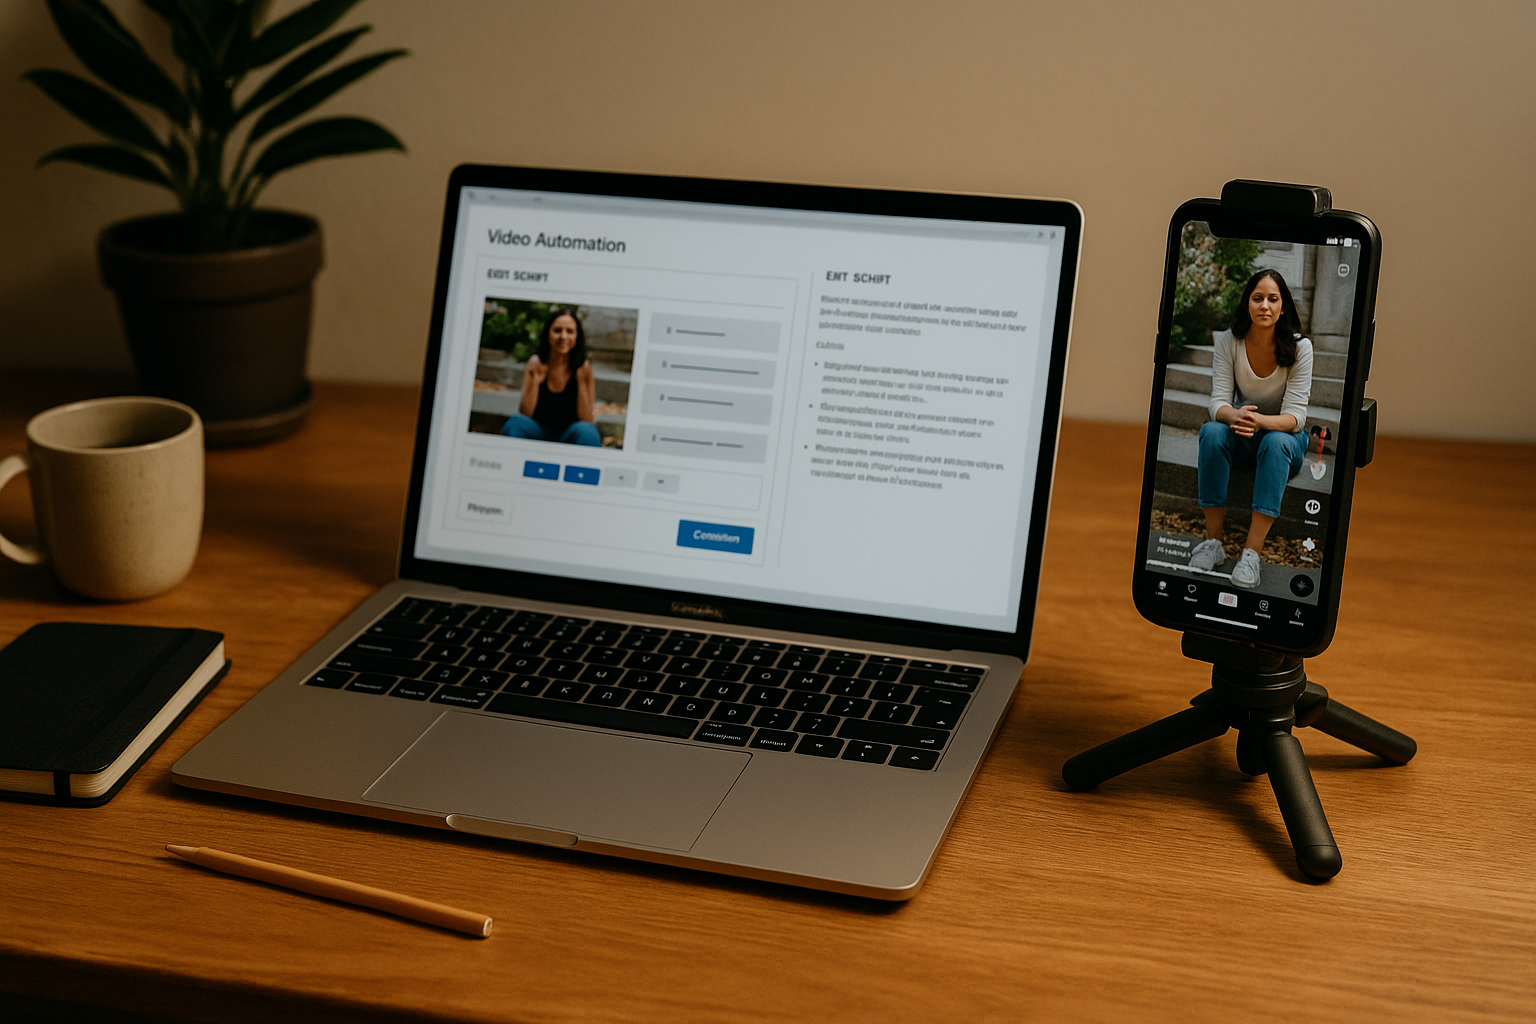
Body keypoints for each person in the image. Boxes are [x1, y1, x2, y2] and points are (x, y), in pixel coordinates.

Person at [1188, 269, 1313, 588]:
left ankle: (1251, 555)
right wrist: (1236, 418)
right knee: (1212, 432)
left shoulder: (1300, 349)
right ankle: (1214, 544)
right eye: (1258, 298)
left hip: (1285, 443)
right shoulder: (1229, 342)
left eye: (1273, 299)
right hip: (1243, 434)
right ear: (1247, 304)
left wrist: (1258, 421)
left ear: (1283, 307)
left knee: (1275, 442)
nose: (1265, 306)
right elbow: (1217, 403)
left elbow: (1296, 418)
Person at [500, 308, 601, 446]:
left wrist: (581, 382)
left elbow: (587, 419)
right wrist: (536, 382)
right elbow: (525, 413)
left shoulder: (584, 368)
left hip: (570, 433)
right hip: (538, 430)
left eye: (569, 331)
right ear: (548, 335)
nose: (563, 337)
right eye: (557, 330)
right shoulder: (536, 363)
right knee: (515, 424)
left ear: (577, 337)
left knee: (587, 431)